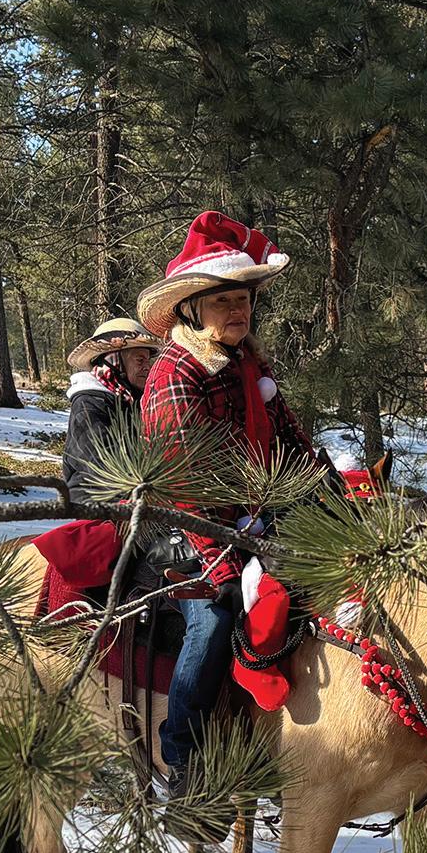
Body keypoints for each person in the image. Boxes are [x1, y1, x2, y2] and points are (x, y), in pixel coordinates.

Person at [137, 211, 327, 785]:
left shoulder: (249, 366)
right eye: (223, 300)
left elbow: (293, 445)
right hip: (184, 529)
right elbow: (183, 482)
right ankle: (183, 753)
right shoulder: (175, 374)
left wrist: (337, 504)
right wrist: (222, 562)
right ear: (192, 309)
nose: (238, 310)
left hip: (251, 522)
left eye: (243, 299)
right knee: (215, 617)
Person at [61, 317, 160, 506]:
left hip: (134, 502)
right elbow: (101, 464)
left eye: (148, 360)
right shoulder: (88, 404)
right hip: (94, 506)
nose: (147, 367)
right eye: (140, 360)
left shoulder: (133, 401)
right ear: (114, 361)